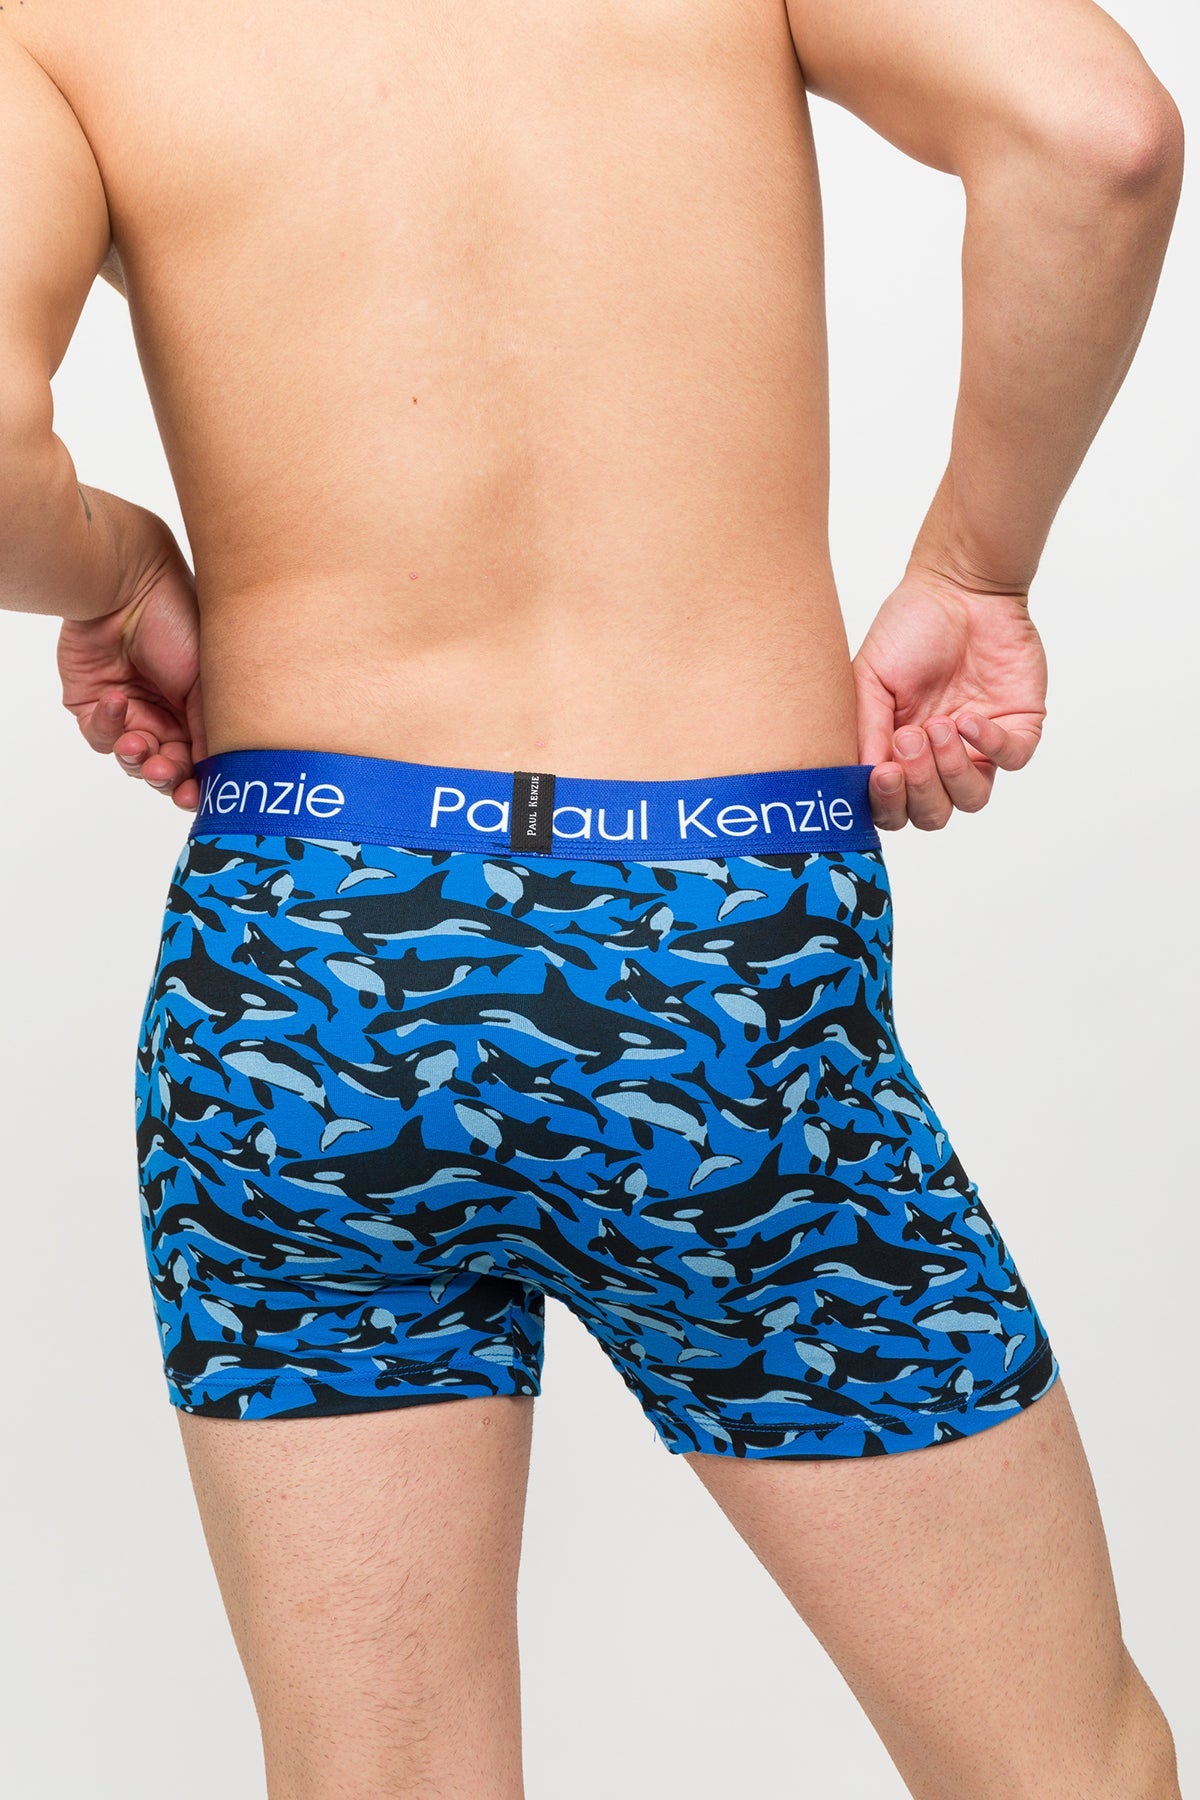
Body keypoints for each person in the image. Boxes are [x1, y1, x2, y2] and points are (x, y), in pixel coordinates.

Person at [0, 1, 1185, 1794]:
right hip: (718, 947)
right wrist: (975, 570)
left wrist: (119, 570)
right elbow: (1098, 135)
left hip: (309, 943)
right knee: (1057, 1767)